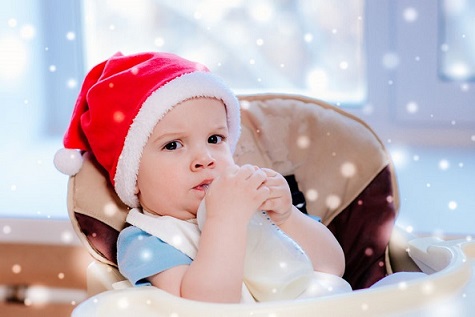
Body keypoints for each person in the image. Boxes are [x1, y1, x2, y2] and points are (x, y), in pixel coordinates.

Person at [54, 51, 346, 303]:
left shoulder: (257, 204)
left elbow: (333, 267)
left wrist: (286, 218)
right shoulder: (147, 240)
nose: (204, 158)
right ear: (134, 179)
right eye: (173, 145)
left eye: (215, 139)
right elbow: (207, 307)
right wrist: (224, 221)